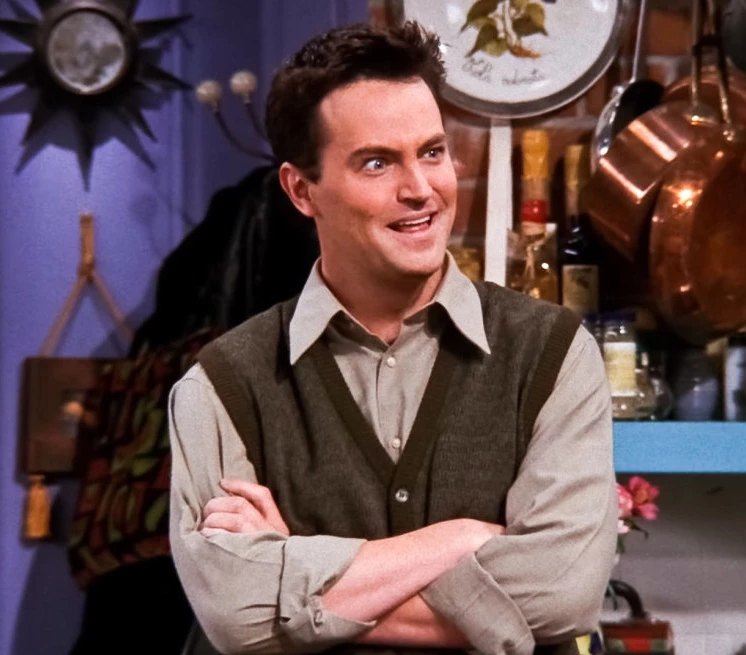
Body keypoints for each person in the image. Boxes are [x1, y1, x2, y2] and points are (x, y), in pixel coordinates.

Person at [168, 21, 617, 655]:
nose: (420, 189)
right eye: (377, 163)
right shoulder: (222, 385)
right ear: (302, 190)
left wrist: (294, 576)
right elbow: (234, 615)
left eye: (432, 152)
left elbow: (561, 594)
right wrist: (455, 542)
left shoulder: (552, 353)